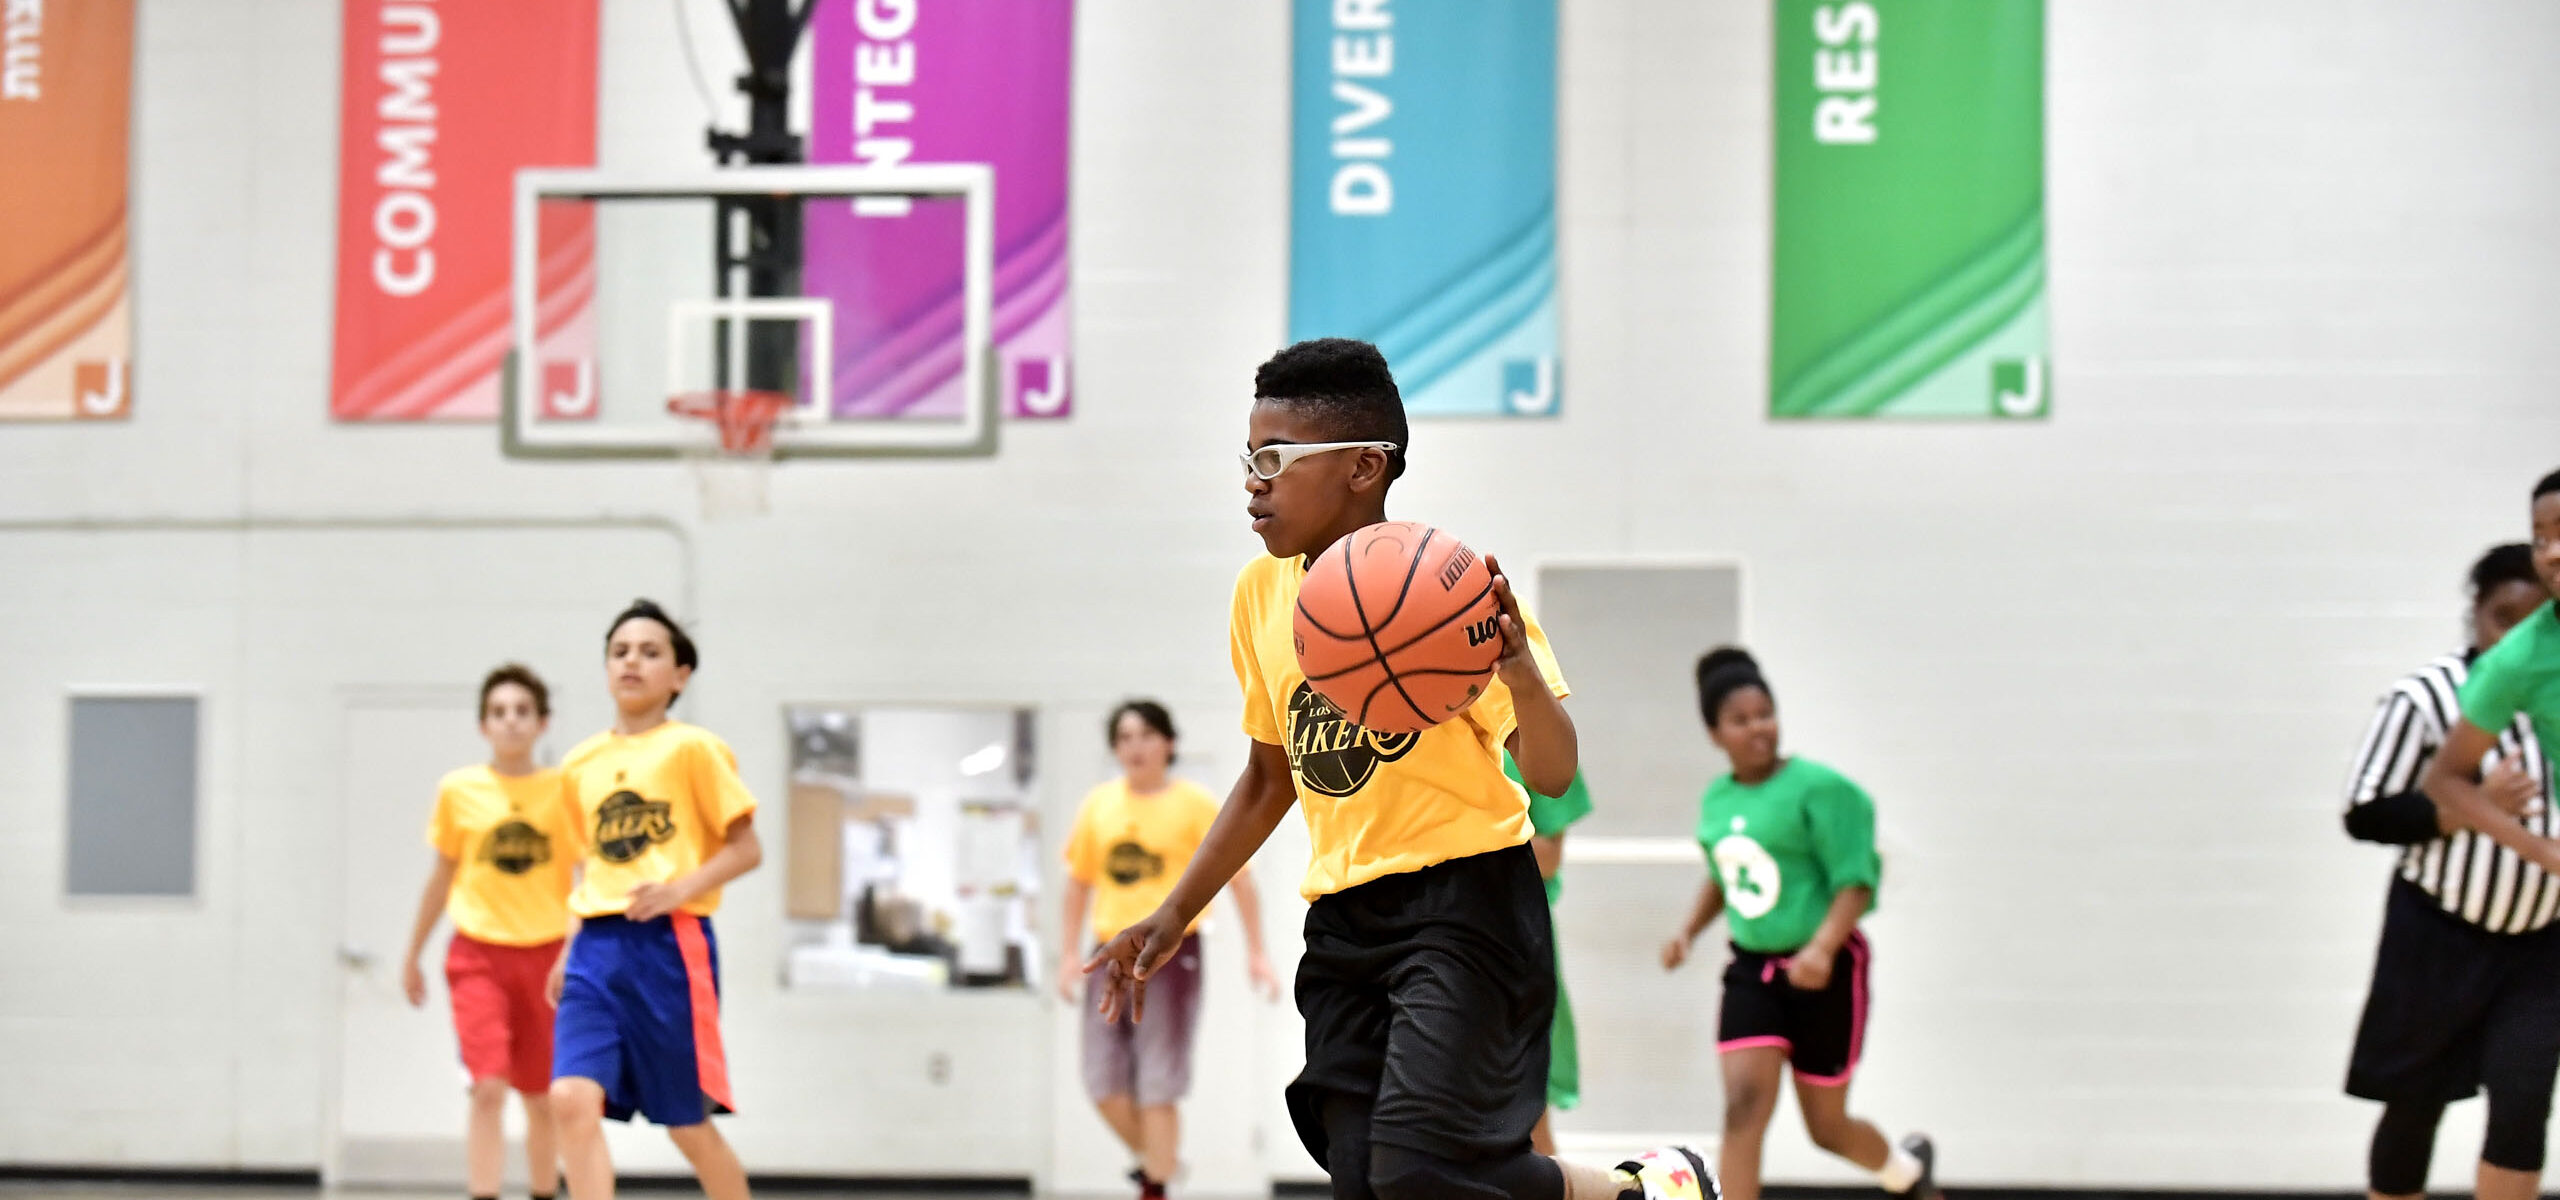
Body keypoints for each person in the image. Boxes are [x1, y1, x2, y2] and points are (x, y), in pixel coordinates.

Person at [1086, 338, 1709, 1200]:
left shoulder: (1448, 589)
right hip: (1344, 919)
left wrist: (1520, 671)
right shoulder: (1258, 597)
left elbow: (1555, 774)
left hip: (1466, 904)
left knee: (1420, 1170)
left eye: (1274, 458)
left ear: (1363, 466)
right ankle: (1643, 1192)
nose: (1251, 481)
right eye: (1248, 457)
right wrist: (1174, 912)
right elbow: (1271, 779)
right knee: (1368, 1184)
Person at [1661, 648, 1935, 1200]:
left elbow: (1855, 880)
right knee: (1743, 1109)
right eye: (1740, 720)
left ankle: (1905, 1174)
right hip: (1752, 972)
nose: (1758, 728)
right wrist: (1689, 930)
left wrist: (1822, 948)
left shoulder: (1821, 789)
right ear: (1715, 734)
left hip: (1825, 971)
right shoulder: (1718, 798)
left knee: (1826, 1129)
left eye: (1765, 714)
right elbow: (1726, 872)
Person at [2343, 541, 2558, 1200]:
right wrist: (2466, 810)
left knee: (2522, 1108)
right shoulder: (2426, 696)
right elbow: (2366, 813)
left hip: (2542, 939)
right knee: (2415, 1102)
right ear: (2476, 614)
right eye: (2502, 618)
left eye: (2533, 620)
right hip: (2440, 930)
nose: (2514, 637)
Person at [545, 600, 764, 1200]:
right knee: (569, 1100)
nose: (632, 662)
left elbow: (747, 849)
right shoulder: (578, 764)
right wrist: (567, 950)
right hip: (594, 949)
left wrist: (678, 890)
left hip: (670, 949)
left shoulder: (695, 749)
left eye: (650, 652)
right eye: (620, 652)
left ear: (680, 675)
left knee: (687, 1127)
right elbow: (581, 864)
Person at [1059, 699, 1284, 1200]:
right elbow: (1077, 883)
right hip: (1108, 952)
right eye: (1123, 738)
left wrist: (1257, 951)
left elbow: (1239, 880)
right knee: (1102, 1084)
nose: (1133, 747)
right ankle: (1159, 1165)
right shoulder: (1098, 805)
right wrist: (1069, 955)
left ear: (1169, 743)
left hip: (1170, 955)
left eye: (1144, 735)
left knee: (1158, 1083)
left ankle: (1156, 1185)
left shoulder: (1196, 804)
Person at [398, 664, 575, 1200]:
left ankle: (546, 1191)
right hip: (478, 956)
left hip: (547, 957)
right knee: (488, 1089)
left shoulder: (565, 791)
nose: (511, 722)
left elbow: (589, 880)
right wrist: (413, 954)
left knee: (542, 1096)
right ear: (483, 726)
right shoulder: (459, 790)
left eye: (522, 712)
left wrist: (575, 949)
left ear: (543, 723)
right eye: (499, 713)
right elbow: (442, 875)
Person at [1504, 757, 1594, 1157]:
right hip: (1427, 941)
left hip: (1513, 943)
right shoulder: (1415, 734)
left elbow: (1547, 855)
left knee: (1527, 1118)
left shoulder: (1527, 733)